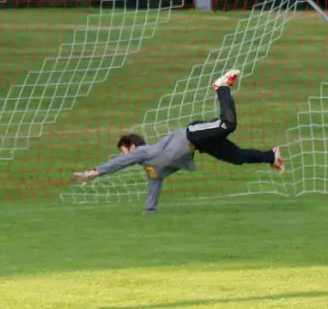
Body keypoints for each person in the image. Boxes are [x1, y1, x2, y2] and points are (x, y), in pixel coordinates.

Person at [70, 69, 285, 214]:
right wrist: (149, 213)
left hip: (193, 134)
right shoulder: (151, 168)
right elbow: (154, 187)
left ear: (133, 147)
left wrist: (94, 172)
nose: (126, 155)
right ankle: (271, 156)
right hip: (201, 144)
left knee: (228, 124)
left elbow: (118, 163)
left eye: (124, 150)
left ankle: (222, 87)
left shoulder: (143, 153)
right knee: (237, 158)